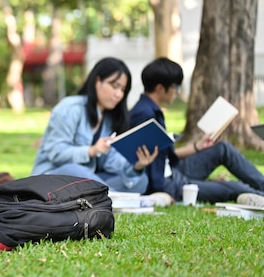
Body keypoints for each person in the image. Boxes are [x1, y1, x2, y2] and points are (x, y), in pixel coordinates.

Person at [129, 57, 264, 205]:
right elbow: (145, 162)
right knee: (236, 188)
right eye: (177, 87)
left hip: (174, 169)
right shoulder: (144, 114)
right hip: (169, 183)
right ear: (160, 88)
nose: (177, 92)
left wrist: (197, 147)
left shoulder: (151, 110)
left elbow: (164, 155)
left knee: (222, 148)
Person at [31, 57, 158, 194]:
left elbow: (112, 163)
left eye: (123, 90)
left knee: (140, 180)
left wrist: (137, 166)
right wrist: (91, 150)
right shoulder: (70, 108)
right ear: (97, 81)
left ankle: (106, 197)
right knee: (76, 171)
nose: (118, 94)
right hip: (53, 177)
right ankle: (112, 198)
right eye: (114, 86)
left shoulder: (111, 118)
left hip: (88, 180)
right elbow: (56, 152)